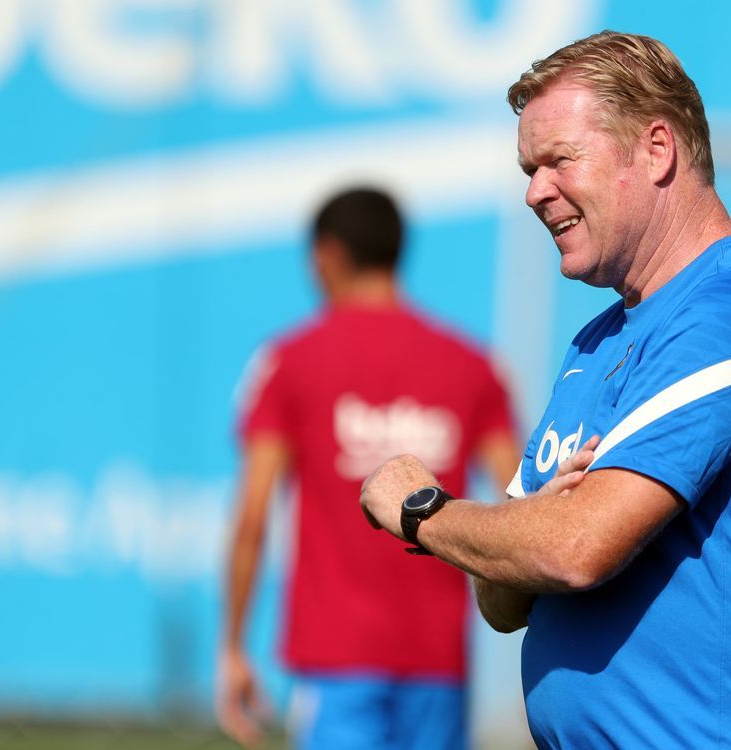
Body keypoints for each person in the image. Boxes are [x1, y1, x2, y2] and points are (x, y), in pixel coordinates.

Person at [359, 30, 731, 749]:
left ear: (657, 150)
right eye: (529, 168)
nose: (535, 192)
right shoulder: (595, 342)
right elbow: (504, 597)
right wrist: (531, 527)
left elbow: (572, 550)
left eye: (559, 160)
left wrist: (421, 509)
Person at [217, 187, 520, 750]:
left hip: (336, 657)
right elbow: (521, 504)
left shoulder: (290, 361)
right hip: (439, 659)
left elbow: (251, 520)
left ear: (327, 255)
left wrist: (233, 649)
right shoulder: (473, 366)